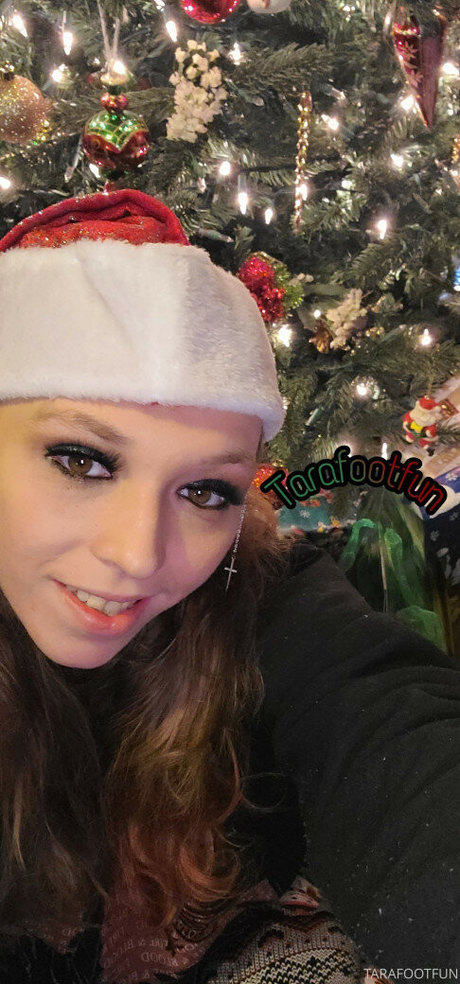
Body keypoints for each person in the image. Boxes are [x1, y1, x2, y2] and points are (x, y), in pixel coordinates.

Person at [0, 188, 455, 984]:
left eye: (206, 491)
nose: (137, 556)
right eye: (82, 460)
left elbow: (394, 731)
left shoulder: (264, 592)